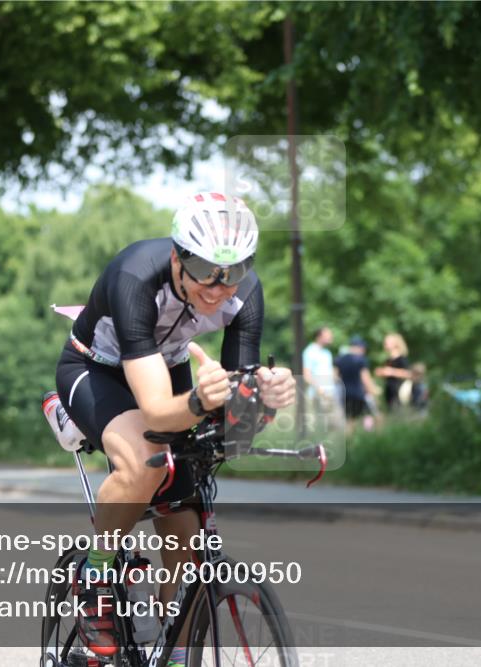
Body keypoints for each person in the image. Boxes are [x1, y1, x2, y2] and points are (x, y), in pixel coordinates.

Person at [54, 191, 296, 664]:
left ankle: (175, 650)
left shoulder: (245, 293)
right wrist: (203, 400)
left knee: (186, 525)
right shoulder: (135, 276)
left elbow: (233, 426)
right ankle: (96, 576)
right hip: (97, 370)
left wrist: (264, 402)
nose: (217, 287)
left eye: (233, 272)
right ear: (176, 257)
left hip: (168, 368)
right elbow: (160, 412)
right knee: (145, 464)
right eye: (205, 269)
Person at [334, 335, 380, 435]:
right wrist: (374, 391)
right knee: (369, 416)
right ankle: (369, 435)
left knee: (349, 420)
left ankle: (349, 443)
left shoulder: (340, 359)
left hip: (345, 394)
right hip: (358, 394)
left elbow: (335, 377)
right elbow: (365, 378)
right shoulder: (360, 360)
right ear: (359, 347)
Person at [302, 327, 341, 422]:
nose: (331, 337)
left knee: (335, 425)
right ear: (319, 336)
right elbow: (306, 375)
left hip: (330, 394)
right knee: (321, 425)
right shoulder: (310, 352)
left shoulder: (327, 353)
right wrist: (319, 389)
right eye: (328, 335)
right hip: (318, 395)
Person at [375, 333, 411, 413]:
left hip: (399, 392)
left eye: (387, 342)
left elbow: (408, 374)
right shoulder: (388, 360)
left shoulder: (402, 359)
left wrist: (391, 372)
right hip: (389, 392)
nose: (385, 344)